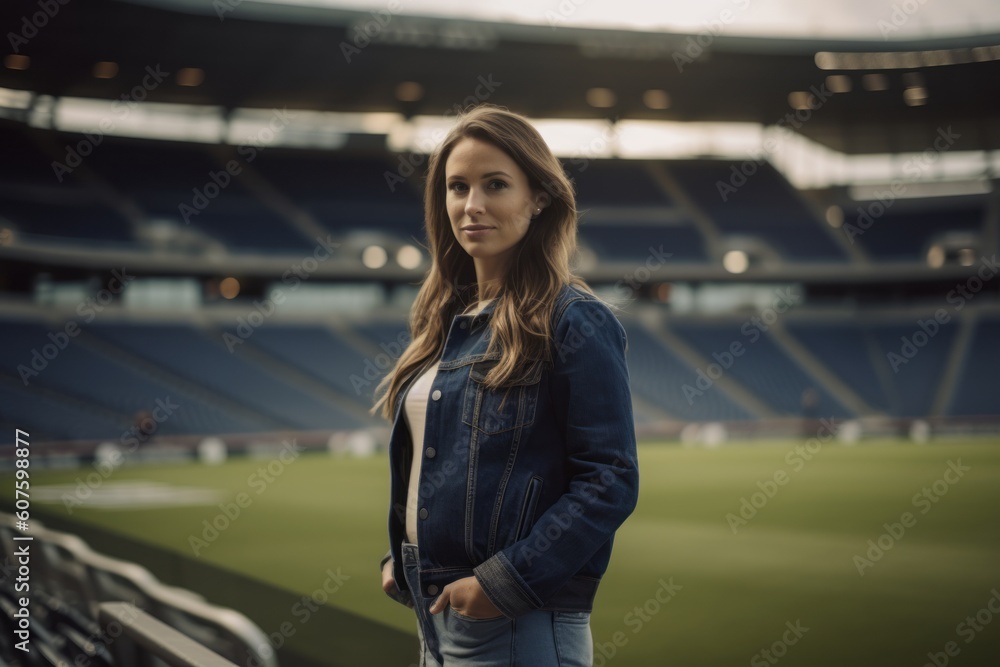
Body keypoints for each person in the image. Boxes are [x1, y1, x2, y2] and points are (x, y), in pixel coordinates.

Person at [371, 104, 640, 666]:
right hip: (437, 615)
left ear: (538, 198)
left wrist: (504, 584)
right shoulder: (445, 324)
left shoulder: (572, 320)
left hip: (519, 623)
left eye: (495, 185)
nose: (472, 206)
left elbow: (609, 478)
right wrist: (404, 557)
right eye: (456, 186)